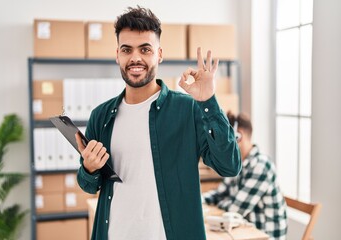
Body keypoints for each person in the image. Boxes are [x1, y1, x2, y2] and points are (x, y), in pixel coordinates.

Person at [74, 6, 242, 240]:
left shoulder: (188, 109)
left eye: (145, 49)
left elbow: (230, 165)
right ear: (117, 55)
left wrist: (208, 102)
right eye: (127, 49)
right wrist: (89, 168)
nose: (135, 58)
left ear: (159, 54)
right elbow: (89, 185)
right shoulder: (101, 116)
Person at [203, 112, 288, 239]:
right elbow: (219, 193)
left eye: (223, 139)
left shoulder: (261, 166)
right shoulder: (237, 164)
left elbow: (236, 209)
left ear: (238, 136)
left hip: (264, 236)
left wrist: (220, 203)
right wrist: (199, 201)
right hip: (242, 233)